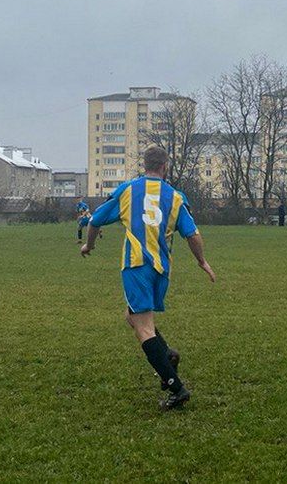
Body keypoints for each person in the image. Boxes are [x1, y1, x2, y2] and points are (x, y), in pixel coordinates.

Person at [81, 146, 216, 410]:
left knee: (143, 328)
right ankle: (167, 355)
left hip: (136, 265)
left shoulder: (128, 190)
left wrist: (89, 245)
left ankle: (176, 387)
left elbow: (94, 220)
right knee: (132, 316)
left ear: (145, 165)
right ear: (165, 167)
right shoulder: (175, 197)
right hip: (161, 270)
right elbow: (192, 234)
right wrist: (202, 261)